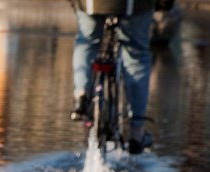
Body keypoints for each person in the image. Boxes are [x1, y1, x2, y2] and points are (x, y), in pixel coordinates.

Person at [68, 0, 163, 154]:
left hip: (92, 4)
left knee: (87, 42)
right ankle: (136, 132)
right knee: (136, 56)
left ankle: (81, 96)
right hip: (134, 6)